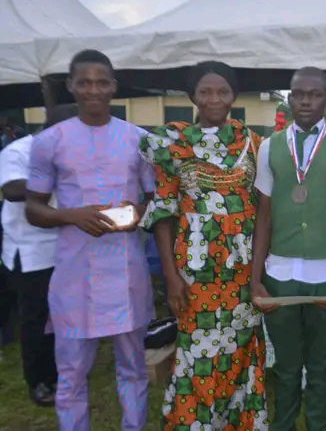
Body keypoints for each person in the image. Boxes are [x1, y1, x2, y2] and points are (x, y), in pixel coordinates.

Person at [25, 49, 155, 431]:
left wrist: (138, 214)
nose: (93, 90)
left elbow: (157, 201)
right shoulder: (49, 141)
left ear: (113, 87)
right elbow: (33, 208)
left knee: (133, 368)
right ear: (71, 86)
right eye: (84, 82)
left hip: (126, 272)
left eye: (101, 83)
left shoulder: (139, 139)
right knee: (71, 374)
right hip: (74, 277)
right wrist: (71, 215)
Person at [139, 61, 268, 430]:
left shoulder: (252, 143)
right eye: (205, 92)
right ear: (192, 96)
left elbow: (265, 208)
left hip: (243, 270)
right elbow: (164, 211)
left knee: (240, 347)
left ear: (234, 96)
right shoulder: (173, 143)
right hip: (195, 270)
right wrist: (171, 276)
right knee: (199, 349)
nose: (214, 99)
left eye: (223, 92)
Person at [251, 66, 326, 431]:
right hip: (280, 274)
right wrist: (256, 280)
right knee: (286, 369)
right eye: (299, 94)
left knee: (319, 367)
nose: (306, 101)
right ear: (289, 98)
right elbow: (264, 217)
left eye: (315, 94)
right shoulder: (270, 147)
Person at [0, 104, 76, 406]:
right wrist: (54, 180)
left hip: (66, 245)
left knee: (63, 314)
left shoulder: (74, 152)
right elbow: (11, 189)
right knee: (37, 318)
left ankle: (61, 370)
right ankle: (39, 380)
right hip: (31, 249)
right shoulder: (20, 150)